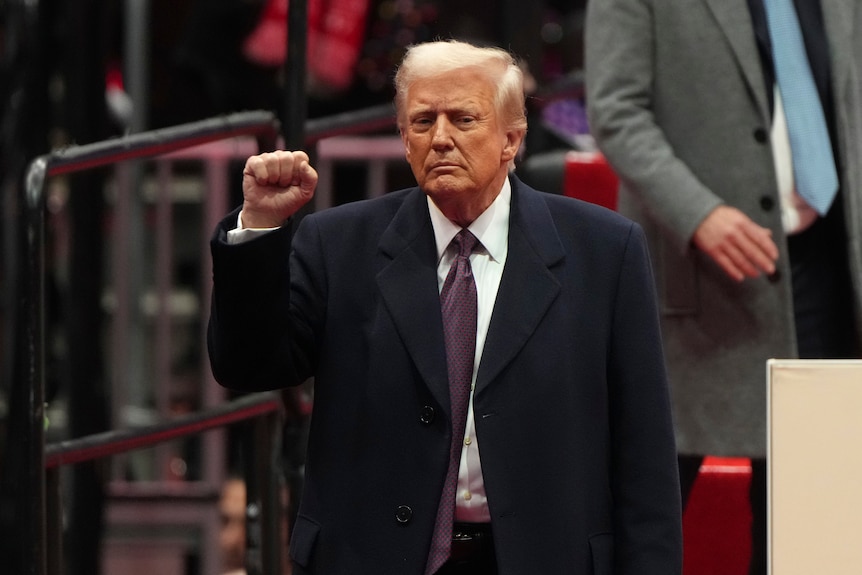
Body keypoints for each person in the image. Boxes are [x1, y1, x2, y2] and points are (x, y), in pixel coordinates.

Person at [207, 39, 681, 575]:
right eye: (423, 121)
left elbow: (644, 454)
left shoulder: (604, 250)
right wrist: (261, 229)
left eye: (463, 119)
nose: (441, 139)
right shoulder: (338, 244)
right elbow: (249, 365)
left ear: (512, 139)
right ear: (403, 139)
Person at [584, 1, 862, 573]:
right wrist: (699, 214)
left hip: (824, 267)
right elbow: (616, 111)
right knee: (646, 503)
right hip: (694, 270)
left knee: (809, 524)